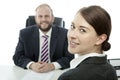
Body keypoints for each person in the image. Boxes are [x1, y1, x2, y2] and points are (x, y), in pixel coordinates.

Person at [58, 5, 118, 80]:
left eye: (82, 30)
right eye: (72, 27)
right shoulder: (110, 70)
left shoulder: (70, 77)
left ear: (100, 39)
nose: (72, 35)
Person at [13, 3, 74, 73]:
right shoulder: (25, 34)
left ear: (52, 18)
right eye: (40, 16)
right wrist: (32, 65)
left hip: (55, 72)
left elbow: (70, 58)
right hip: (31, 72)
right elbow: (17, 57)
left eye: (47, 16)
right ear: (35, 19)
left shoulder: (65, 34)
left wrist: (52, 66)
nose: (43, 19)